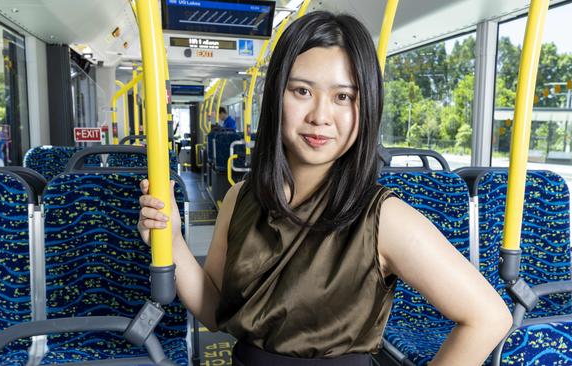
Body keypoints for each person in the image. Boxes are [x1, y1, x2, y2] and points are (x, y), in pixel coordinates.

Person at [139, 11, 511, 365]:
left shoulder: (383, 218)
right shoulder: (242, 198)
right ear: (276, 98)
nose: (320, 116)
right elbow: (215, 311)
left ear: (364, 108)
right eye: (302, 91)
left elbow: (488, 318)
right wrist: (172, 241)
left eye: (343, 97)